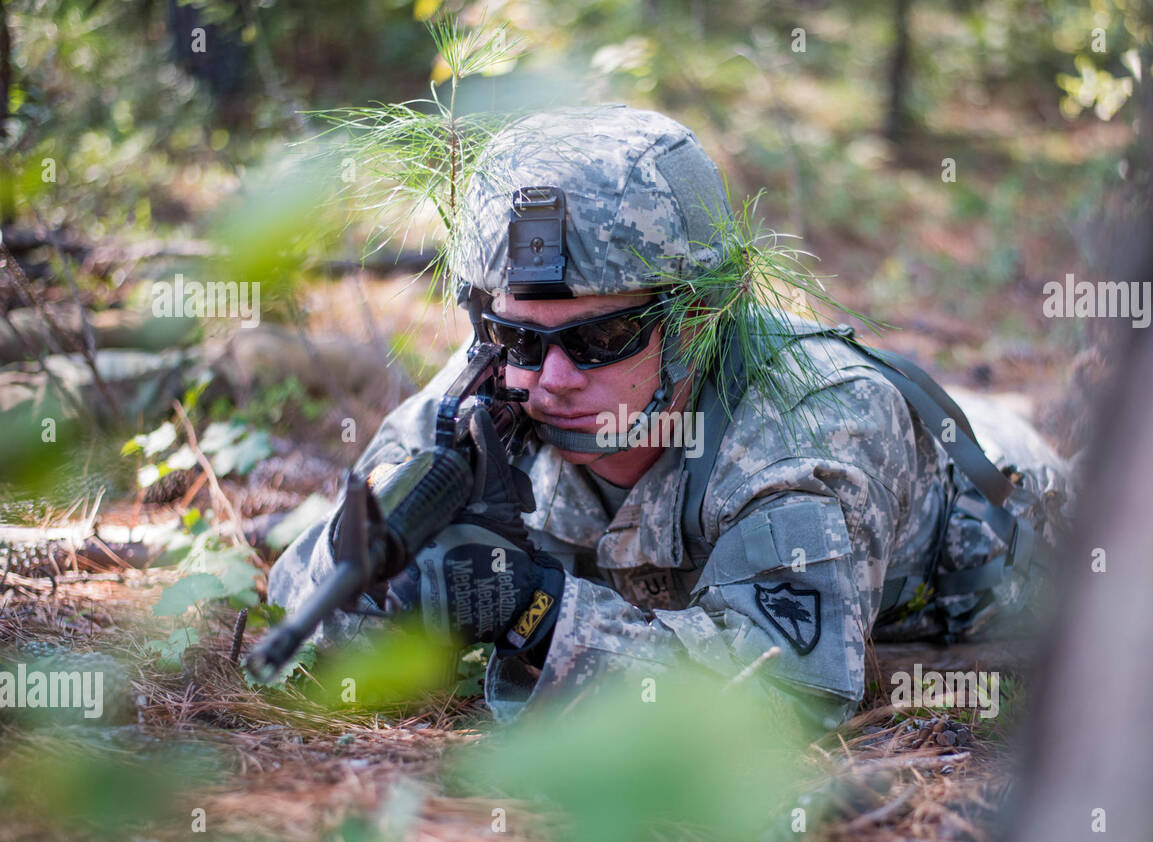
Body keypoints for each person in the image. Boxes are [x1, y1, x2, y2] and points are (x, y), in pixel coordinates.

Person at [268, 104, 1073, 729]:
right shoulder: (488, 392)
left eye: (601, 337)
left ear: (698, 322)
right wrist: (393, 572)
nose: (548, 378)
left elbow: (783, 701)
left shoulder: (809, 429)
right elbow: (304, 592)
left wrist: (533, 609)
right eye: (513, 333)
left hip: (1001, 533)